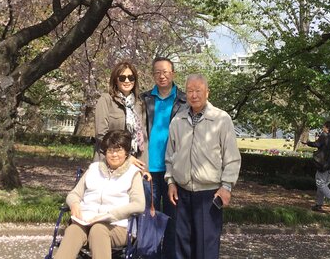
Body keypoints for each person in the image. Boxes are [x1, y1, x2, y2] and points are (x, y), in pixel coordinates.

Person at [165, 74, 241, 259]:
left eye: (198, 90)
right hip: (182, 192)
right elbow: (170, 155)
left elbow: (231, 157)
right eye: (190, 90)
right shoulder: (178, 120)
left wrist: (226, 186)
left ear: (207, 92)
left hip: (209, 193)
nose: (194, 95)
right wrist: (170, 182)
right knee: (181, 245)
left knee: (206, 247)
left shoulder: (221, 119)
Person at [54, 130, 145, 259]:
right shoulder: (94, 169)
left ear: (126, 153)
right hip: (86, 221)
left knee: (98, 229)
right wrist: (74, 204)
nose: (114, 155)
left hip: (118, 226)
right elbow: (74, 194)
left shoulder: (132, 173)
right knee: (73, 230)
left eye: (118, 150)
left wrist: (110, 215)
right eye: (110, 150)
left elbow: (139, 205)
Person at [139, 57, 187, 259]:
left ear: (173, 73)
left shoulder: (184, 101)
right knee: (147, 219)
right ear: (153, 75)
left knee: (172, 221)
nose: (162, 75)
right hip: (148, 169)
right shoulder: (143, 99)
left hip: (173, 172)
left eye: (166, 71)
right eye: (157, 72)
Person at [94, 62, 148, 170]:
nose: (127, 81)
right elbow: (101, 135)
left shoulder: (139, 104)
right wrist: (127, 158)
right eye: (122, 78)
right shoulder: (106, 100)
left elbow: (142, 138)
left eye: (131, 77)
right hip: (110, 163)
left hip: (135, 163)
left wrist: (145, 168)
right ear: (116, 80)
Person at [306, 121, 330, 214]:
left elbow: (317, 144)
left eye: (324, 126)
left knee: (320, 184)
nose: (323, 128)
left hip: (324, 165)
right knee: (323, 185)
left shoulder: (325, 136)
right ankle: (319, 205)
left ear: (328, 128)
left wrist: (308, 143)